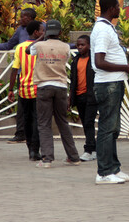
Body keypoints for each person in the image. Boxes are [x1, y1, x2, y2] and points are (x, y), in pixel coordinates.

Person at [91, 0, 129, 184]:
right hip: (107, 84)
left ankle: (113, 168)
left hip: (113, 83)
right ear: (111, 8)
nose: (120, 9)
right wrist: (126, 67)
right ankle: (103, 173)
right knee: (107, 128)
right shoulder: (103, 30)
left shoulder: (107, 28)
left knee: (113, 128)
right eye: (118, 6)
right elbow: (99, 61)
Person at [26, 20, 81, 168]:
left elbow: (27, 50)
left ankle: (47, 159)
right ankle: (74, 157)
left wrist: (40, 38)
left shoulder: (39, 45)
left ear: (45, 32)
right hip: (61, 87)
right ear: (60, 33)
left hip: (44, 87)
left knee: (44, 124)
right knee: (62, 121)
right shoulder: (65, 47)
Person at [0, 8, 37, 144]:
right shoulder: (20, 30)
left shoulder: (40, 28)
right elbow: (9, 45)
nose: (21, 19)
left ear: (31, 17)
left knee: (36, 108)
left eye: (23, 17)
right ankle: (21, 134)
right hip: (23, 75)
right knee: (22, 107)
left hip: (38, 76)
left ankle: (35, 136)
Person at [8, 20, 43, 161]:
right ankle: (36, 150)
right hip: (38, 89)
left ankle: (30, 149)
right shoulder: (41, 47)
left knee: (27, 120)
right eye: (41, 30)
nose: (43, 32)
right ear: (36, 32)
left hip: (24, 89)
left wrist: (11, 89)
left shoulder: (20, 48)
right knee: (37, 120)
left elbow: (14, 69)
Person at [69, 35, 98, 162]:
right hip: (79, 96)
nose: (80, 47)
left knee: (88, 122)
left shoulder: (94, 60)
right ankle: (94, 149)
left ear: (89, 45)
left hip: (91, 96)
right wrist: (71, 98)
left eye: (83, 45)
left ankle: (89, 149)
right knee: (85, 123)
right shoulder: (75, 60)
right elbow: (73, 81)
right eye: (78, 45)